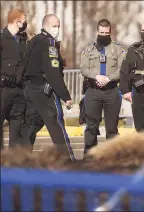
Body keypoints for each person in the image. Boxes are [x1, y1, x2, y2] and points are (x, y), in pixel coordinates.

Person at [21, 14, 75, 161]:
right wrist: (66, 96)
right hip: (45, 92)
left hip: (30, 89)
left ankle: (20, 161)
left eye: (58, 26)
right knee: (57, 126)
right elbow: (52, 73)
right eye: (54, 26)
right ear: (45, 26)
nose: (57, 29)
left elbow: (25, 63)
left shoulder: (34, 41)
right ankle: (68, 162)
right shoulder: (49, 43)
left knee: (30, 127)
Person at [80, 19, 124, 154]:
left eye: (107, 32)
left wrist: (108, 78)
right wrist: (96, 76)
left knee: (112, 128)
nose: (104, 35)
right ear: (97, 32)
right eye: (101, 32)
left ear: (110, 32)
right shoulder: (88, 49)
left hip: (111, 91)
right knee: (91, 127)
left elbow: (122, 69)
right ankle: (89, 157)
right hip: (93, 91)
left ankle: (112, 158)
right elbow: (83, 68)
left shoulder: (118, 49)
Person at [0, 9, 29, 149]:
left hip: (19, 90)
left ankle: (12, 165)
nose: (25, 23)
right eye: (24, 20)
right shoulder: (2, 37)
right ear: (17, 22)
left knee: (16, 131)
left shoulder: (23, 40)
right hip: (3, 89)